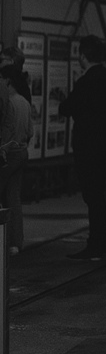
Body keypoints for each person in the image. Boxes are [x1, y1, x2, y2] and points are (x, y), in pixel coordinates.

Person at [59, 35, 106, 260]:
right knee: (99, 194)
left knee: (92, 195)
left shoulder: (86, 81)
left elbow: (66, 107)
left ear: (84, 56)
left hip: (87, 145)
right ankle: (100, 243)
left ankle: (95, 245)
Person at [0, 67, 33, 255]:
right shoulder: (24, 102)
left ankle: (4, 240)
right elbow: (30, 131)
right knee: (14, 198)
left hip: (8, 154)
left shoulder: (9, 103)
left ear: (8, 81)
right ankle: (16, 242)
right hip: (22, 152)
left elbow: (7, 130)